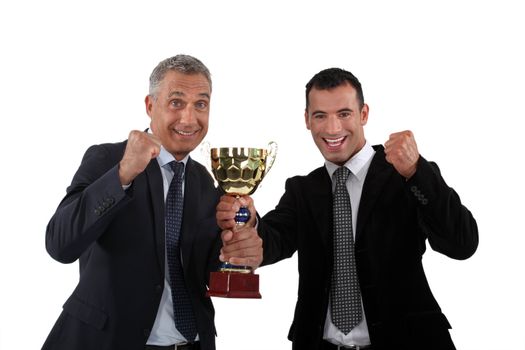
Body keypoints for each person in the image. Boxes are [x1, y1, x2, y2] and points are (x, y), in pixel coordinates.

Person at [217, 68, 479, 349]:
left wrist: (416, 171)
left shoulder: (405, 175)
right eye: (320, 116)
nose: (332, 129)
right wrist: (248, 222)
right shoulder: (302, 190)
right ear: (307, 120)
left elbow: (462, 244)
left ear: (363, 114)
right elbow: (272, 240)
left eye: (344, 114)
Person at [43, 54, 261, 350]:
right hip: (109, 342)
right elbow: (59, 244)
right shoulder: (108, 159)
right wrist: (122, 175)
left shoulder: (204, 180)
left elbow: (207, 269)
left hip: (192, 342)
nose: (189, 118)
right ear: (150, 106)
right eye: (176, 102)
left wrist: (239, 234)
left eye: (201, 104)